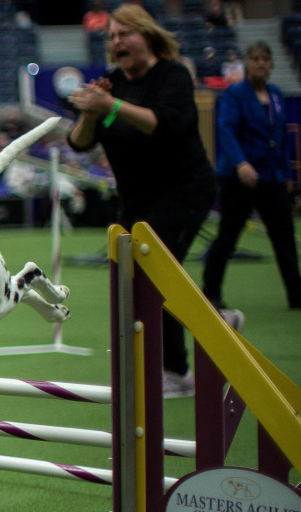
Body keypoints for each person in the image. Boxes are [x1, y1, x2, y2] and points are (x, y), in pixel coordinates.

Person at [66, 4, 215, 398]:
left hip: (184, 190)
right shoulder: (113, 83)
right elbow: (79, 142)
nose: (117, 42)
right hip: (136, 201)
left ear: (147, 36)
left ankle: (178, 368)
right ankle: (210, 325)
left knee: (157, 271)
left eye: (124, 34)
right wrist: (92, 111)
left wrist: (110, 106)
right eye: (112, 37)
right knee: (143, 279)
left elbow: (166, 125)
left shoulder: (173, 75)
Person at [203, 41, 301, 311]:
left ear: (271, 64)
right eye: (255, 58)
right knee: (228, 236)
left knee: (285, 237)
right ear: (247, 63)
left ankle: (296, 295)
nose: (260, 63)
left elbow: (281, 139)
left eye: (265, 59)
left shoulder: (277, 95)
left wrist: (288, 176)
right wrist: (240, 163)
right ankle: (210, 292)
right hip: (238, 178)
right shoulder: (235, 94)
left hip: (272, 178)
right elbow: (226, 130)